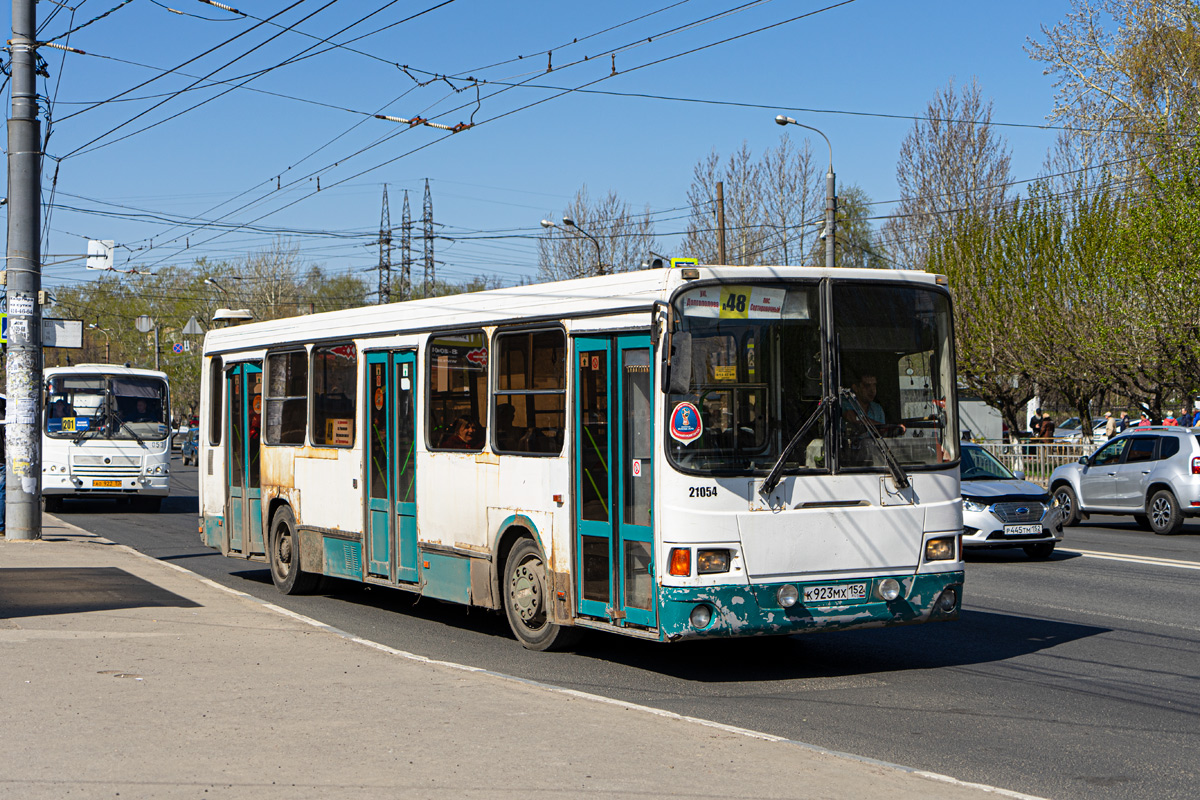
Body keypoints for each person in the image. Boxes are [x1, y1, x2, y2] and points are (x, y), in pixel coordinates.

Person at [842, 371, 904, 436]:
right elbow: (853, 418)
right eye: (867, 386)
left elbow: (882, 433)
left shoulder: (877, 409)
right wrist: (885, 426)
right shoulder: (845, 402)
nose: (872, 390)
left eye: (874, 385)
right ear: (855, 388)